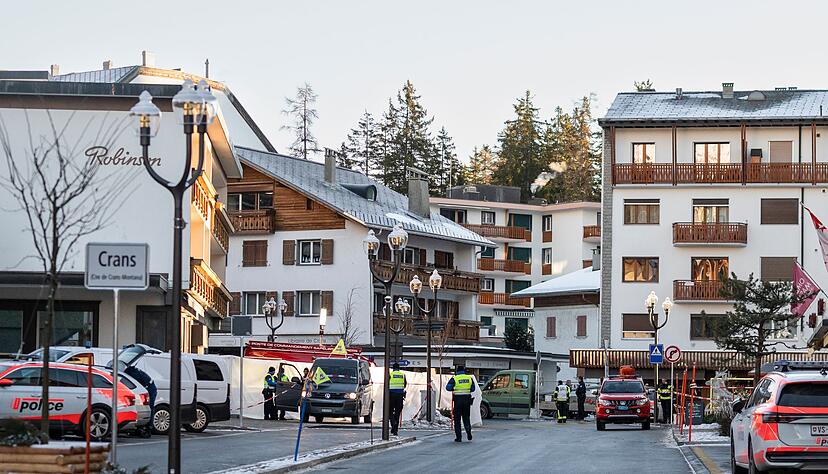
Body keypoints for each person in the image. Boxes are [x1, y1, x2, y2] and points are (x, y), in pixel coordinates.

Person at [446, 365, 475, 442]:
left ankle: (459, 437)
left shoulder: (454, 378)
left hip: (458, 400)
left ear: (457, 371)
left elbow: (448, 388)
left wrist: (454, 388)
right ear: (464, 371)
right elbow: (473, 389)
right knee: (466, 417)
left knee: (457, 419)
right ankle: (468, 432)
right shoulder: (469, 378)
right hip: (467, 400)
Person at [388, 362, 406, 436]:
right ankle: (395, 430)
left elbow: (387, 384)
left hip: (391, 395)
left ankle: (393, 423)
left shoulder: (390, 375)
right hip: (400, 395)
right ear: (399, 368)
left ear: (393, 368)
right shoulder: (402, 375)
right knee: (397, 413)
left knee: (390, 411)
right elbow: (405, 384)